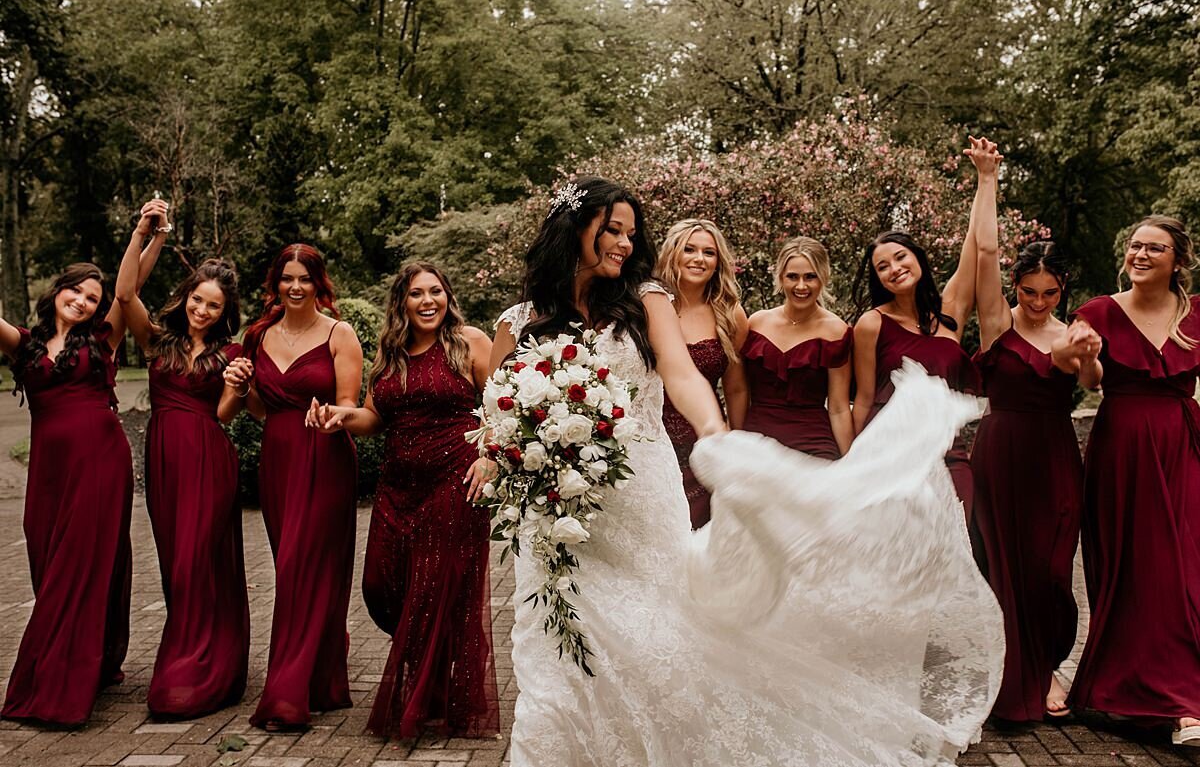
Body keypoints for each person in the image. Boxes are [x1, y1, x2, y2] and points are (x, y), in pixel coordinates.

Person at [492, 175, 1002, 766]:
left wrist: (715, 435)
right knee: (554, 644)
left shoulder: (646, 300)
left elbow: (682, 375)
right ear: (574, 230)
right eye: (613, 231)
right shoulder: (519, 321)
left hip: (640, 495)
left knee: (659, 637)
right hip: (555, 509)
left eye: (632, 233)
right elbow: (498, 406)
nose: (626, 244)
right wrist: (497, 454)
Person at [306, 262, 500, 738]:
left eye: (436, 290)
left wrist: (491, 456)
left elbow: (504, 404)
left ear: (447, 296)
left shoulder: (470, 342)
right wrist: (339, 416)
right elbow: (374, 415)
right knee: (381, 587)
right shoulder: (391, 352)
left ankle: (426, 700)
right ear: (403, 302)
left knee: (432, 593)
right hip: (397, 488)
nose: (428, 300)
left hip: (455, 481)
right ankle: (434, 667)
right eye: (417, 293)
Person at [0, 198, 165, 724]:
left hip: (99, 463)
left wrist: (145, 234)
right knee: (50, 565)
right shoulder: (23, 346)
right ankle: (87, 661)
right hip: (47, 474)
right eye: (76, 290)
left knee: (77, 566)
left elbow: (127, 290)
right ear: (58, 291)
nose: (85, 301)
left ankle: (54, 689)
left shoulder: (103, 339)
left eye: (93, 298)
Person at [1052, 215, 1200, 745]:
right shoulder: (1097, 312)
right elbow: (1089, 382)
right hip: (1122, 446)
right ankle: (1134, 689)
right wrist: (1087, 357)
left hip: (1183, 444)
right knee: (1131, 566)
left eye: (1154, 248)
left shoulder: (1196, 312)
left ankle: (1185, 701)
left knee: (1184, 565)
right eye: (1134, 245)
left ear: (1177, 260)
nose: (1140, 254)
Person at [225, 243, 362, 731]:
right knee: (292, 567)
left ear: (319, 282)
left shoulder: (339, 334)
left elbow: (350, 404)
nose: (296, 286)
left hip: (324, 456)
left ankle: (286, 693)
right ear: (276, 284)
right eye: (287, 278)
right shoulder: (257, 335)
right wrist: (242, 388)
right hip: (277, 459)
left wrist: (330, 416)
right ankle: (323, 682)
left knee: (308, 565)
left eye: (305, 277)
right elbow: (261, 408)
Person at [114, 236, 250, 718]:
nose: (202, 310)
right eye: (197, 299)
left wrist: (236, 386)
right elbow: (125, 293)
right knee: (176, 563)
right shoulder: (158, 340)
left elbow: (226, 415)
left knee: (200, 558)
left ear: (224, 310)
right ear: (186, 295)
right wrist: (147, 235)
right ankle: (201, 652)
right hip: (165, 460)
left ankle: (194, 664)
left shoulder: (232, 350)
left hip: (210, 461)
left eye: (214, 305)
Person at [971, 189, 1083, 721]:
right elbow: (986, 254)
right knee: (1001, 567)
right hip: (1001, 454)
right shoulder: (997, 323)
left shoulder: (1076, 334)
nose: (1038, 303)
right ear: (1015, 287)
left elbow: (1096, 379)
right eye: (1029, 291)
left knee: (1051, 569)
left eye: (1050, 293)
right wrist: (987, 181)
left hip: (1056, 455)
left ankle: (1049, 662)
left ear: (1063, 291)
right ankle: (1014, 675)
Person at [851, 137, 997, 522]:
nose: (895, 268)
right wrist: (853, 465)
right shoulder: (871, 324)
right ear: (879, 279)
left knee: (956, 543)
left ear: (917, 258)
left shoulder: (949, 311)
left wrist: (986, 178)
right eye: (883, 266)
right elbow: (864, 399)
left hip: (949, 453)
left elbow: (977, 243)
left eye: (900, 256)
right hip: (892, 456)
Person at [653, 219, 748, 528]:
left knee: (700, 531)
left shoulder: (730, 313)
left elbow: (735, 388)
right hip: (654, 437)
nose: (699, 259)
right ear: (672, 254)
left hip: (703, 439)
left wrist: (734, 441)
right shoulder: (650, 306)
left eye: (709, 253)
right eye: (689, 249)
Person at [742, 237, 852, 458]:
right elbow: (738, 391)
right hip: (756, 442)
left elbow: (839, 407)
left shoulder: (836, 331)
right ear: (781, 277)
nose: (801, 286)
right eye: (793, 276)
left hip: (813, 443)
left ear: (823, 278)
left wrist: (852, 462)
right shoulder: (756, 322)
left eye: (810, 277)